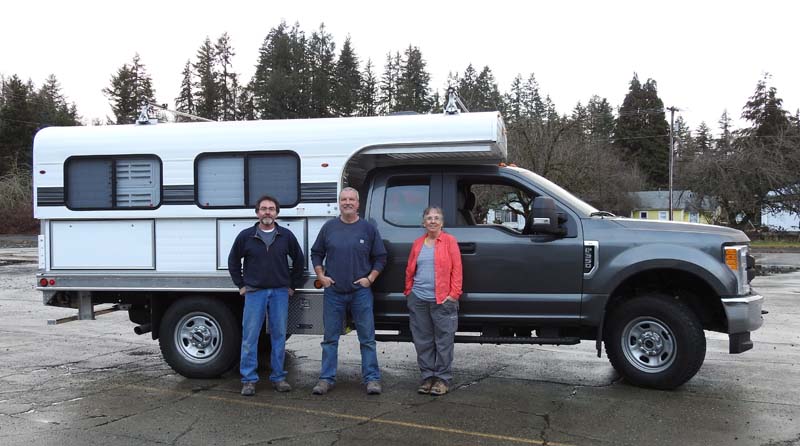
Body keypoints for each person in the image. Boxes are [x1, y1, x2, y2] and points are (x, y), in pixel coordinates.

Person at [310, 187, 387, 395]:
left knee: (367, 338)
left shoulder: (368, 229)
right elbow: (316, 253)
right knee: (330, 339)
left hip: (360, 293)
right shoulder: (329, 228)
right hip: (334, 292)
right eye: (344, 199)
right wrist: (320, 276)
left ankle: (372, 379)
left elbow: (380, 257)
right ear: (339, 202)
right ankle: (326, 379)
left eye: (351, 199)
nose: (347, 203)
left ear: (358, 203)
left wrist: (370, 279)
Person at [228, 195, 304, 397]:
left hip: (280, 292)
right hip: (254, 293)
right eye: (263, 208)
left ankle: (279, 377)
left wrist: (292, 286)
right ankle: (248, 380)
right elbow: (233, 261)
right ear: (257, 212)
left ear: (277, 213)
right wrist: (241, 285)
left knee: (279, 336)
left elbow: (299, 261)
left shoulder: (286, 236)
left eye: (271, 208)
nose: (267, 212)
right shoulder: (246, 236)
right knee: (249, 337)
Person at [404, 206, 463, 396]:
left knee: (444, 341)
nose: (433, 221)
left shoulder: (449, 242)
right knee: (423, 341)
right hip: (419, 298)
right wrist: (409, 291)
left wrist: (453, 294)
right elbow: (410, 269)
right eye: (429, 218)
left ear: (442, 223)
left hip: (442, 300)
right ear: (423, 222)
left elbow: (457, 270)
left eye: (436, 218)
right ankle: (427, 377)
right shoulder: (418, 243)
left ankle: (442, 379)